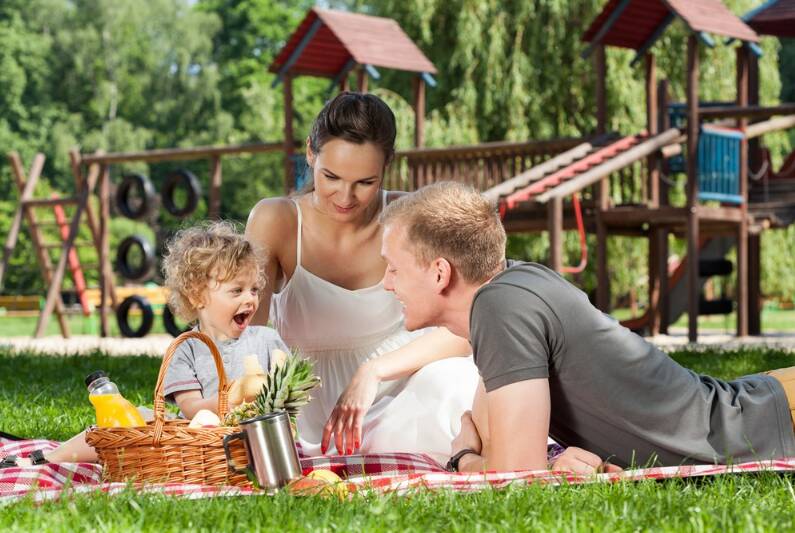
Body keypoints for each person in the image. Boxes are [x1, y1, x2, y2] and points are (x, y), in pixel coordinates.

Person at [378, 180, 795, 474]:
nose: (386, 282)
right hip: (760, 410)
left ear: (439, 274)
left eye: (394, 268)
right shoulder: (507, 294)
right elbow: (500, 442)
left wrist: (463, 457)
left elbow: (513, 474)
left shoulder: (500, 306)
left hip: (769, 423)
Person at [245, 92, 480, 463]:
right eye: (331, 177)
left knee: (456, 382)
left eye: (365, 182)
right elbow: (246, 342)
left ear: (387, 165)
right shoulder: (277, 220)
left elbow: (465, 329)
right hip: (314, 416)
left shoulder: (410, 216)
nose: (345, 197)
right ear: (310, 153)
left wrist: (372, 372)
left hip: (403, 391)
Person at [1, 222, 287, 467]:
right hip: (196, 443)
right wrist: (236, 395)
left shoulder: (267, 341)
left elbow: (294, 394)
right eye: (237, 290)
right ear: (197, 295)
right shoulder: (186, 349)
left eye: (254, 289)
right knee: (136, 417)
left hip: (257, 440)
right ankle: (51, 458)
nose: (250, 299)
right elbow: (191, 410)